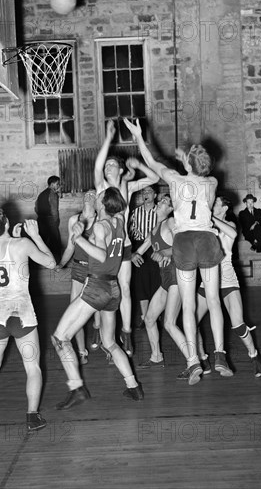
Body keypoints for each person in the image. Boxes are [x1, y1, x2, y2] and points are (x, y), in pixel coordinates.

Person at [123, 117, 225, 386]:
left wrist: (138, 136)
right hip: (206, 238)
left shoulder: (175, 181)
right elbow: (198, 173)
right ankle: (219, 353)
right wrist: (187, 159)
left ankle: (192, 359)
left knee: (188, 308)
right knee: (213, 300)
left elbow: (153, 162)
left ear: (187, 164)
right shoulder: (212, 183)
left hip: (184, 242)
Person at [52, 187, 144, 409]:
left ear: (102, 204)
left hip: (97, 286)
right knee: (110, 342)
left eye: (99, 197)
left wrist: (78, 238)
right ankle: (134, 387)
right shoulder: (119, 222)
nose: (96, 198)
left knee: (59, 338)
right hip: (113, 289)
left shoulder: (101, 227)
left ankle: (77, 388)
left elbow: (102, 256)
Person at [0, 209, 56, 432]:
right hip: (21, 314)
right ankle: (32, 416)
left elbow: (2, 247)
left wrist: (13, 235)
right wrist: (35, 237)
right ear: (7, 222)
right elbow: (51, 263)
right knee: (33, 367)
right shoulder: (22, 245)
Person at [94, 119, 159, 357]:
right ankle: (100, 330)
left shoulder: (129, 188)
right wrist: (108, 139)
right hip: (103, 245)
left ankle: (128, 333)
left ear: (120, 170)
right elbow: (98, 164)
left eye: (112, 164)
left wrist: (138, 163)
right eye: (107, 164)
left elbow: (153, 178)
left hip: (124, 245)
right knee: (104, 290)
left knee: (125, 289)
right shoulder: (101, 186)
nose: (108, 167)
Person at [134, 194, 211, 376]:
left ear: (171, 209)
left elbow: (183, 245)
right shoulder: (155, 228)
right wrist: (133, 255)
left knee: (169, 323)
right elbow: (144, 246)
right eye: (161, 200)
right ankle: (156, 357)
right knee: (150, 319)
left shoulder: (171, 223)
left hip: (177, 275)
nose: (162, 202)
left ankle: (193, 363)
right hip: (165, 278)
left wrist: (166, 254)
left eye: (166, 202)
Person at [195, 197, 261, 378]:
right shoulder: (207, 225)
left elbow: (233, 235)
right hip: (207, 279)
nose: (212, 204)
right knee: (191, 320)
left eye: (216, 203)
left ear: (225, 207)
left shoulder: (229, 224)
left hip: (227, 280)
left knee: (238, 325)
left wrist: (210, 217)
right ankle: (202, 357)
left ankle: (254, 355)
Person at [56, 190, 100, 364]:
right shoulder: (74, 220)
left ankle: (107, 344)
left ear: (98, 200)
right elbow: (70, 247)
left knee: (100, 311)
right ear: (83, 199)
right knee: (74, 310)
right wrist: (61, 264)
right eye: (87, 194)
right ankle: (82, 351)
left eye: (94, 194)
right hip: (78, 269)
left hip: (96, 270)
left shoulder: (101, 221)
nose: (90, 196)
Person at [129, 185, 161, 328]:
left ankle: (155, 316)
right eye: (144, 192)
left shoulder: (159, 212)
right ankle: (144, 316)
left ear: (155, 195)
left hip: (156, 247)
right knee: (140, 282)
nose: (146, 194)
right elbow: (130, 233)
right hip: (139, 247)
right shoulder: (135, 213)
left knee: (156, 281)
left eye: (149, 191)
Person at [35, 175, 61, 261]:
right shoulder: (53, 194)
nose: (58, 186)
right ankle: (56, 261)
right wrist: (56, 221)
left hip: (41, 219)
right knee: (55, 241)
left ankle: (40, 261)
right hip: (50, 220)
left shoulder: (41, 194)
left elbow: (36, 208)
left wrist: (41, 216)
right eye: (57, 184)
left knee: (42, 241)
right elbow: (54, 210)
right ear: (52, 184)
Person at [238, 194, 261, 260]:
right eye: (248, 202)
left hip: (259, 231)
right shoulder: (242, 213)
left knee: (258, 228)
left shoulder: (259, 211)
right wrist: (254, 224)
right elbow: (244, 224)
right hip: (249, 232)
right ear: (245, 203)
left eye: (252, 202)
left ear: (254, 203)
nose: (250, 204)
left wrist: (255, 223)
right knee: (259, 230)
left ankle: (256, 243)